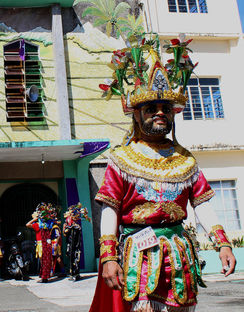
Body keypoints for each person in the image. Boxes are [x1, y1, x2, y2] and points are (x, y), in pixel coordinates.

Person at [90, 35, 236, 312]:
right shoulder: (121, 158)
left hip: (180, 255)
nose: (160, 113)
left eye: (165, 108)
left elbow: (202, 203)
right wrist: (108, 256)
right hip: (137, 257)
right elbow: (110, 208)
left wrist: (223, 244)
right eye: (151, 108)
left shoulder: (185, 159)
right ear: (136, 114)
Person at [26, 203, 57, 283]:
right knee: (46, 259)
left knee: (43, 260)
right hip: (46, 243)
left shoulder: (39, 225)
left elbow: (27, 224)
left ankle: (45, 276)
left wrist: (35, 219)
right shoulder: (46, 225)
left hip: (42, 244)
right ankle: (45, 275)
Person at [63, 203, 90, 281]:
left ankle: (76, 273)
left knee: (76, 258)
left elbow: (78, 236)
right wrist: (66, 228)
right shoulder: (68, 224)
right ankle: (72, 273)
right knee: (71, 258)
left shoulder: (77, 227)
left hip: (76, 245)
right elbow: (64, 233)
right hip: (70, 244)